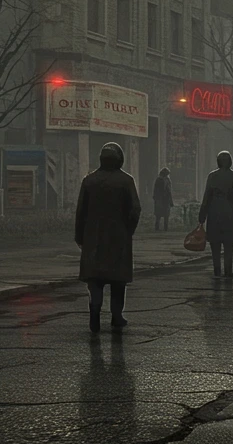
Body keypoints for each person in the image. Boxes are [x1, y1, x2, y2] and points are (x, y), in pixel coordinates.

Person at [76, 142, 141, 331]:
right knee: (118, 281)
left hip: (93, 238)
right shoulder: (126, 181)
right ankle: (116, 315)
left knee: (95, 281)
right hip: (118, 238)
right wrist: (128, 230)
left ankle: (94, 317)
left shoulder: (89, 181)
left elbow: (81, 212)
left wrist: (80, 236)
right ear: (120, 159)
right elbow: (135, 209)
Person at [199, 151, 233, 278]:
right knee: (228, 244)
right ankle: (228, 270)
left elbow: (206, 198)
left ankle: (216, 270)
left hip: (214, 213)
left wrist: (202, 215)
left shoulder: (212, 176)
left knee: (215, 244)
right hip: (230, 214)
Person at [152, 167, 173, 232]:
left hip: (164, 199)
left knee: (164, 215)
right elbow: (156, 190)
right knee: (160, 215)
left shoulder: (165, 180)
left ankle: (163, 228)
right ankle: (160, 228)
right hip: (161, 199)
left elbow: (169, 191)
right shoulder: (161, 180)